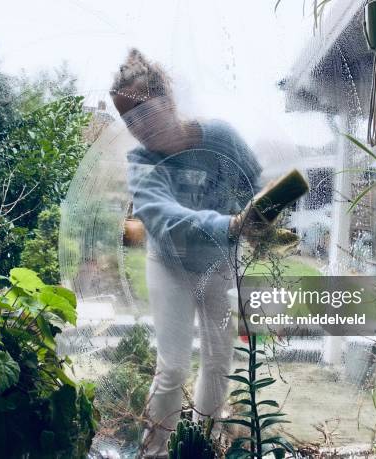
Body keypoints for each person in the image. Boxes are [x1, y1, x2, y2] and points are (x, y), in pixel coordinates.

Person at [110, 48, 268, 458]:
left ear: (169, 102)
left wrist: (263, 218)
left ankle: (202, 445)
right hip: (169, 266)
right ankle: (155, 451)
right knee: (174, 366)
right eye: (129, 120)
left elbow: (254, 183)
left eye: (144, 112)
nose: (138, 127)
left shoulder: (221, 138)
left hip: (217, 266)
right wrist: (231, 224)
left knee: (219, 360)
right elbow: (165, 219)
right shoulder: (142, 164)